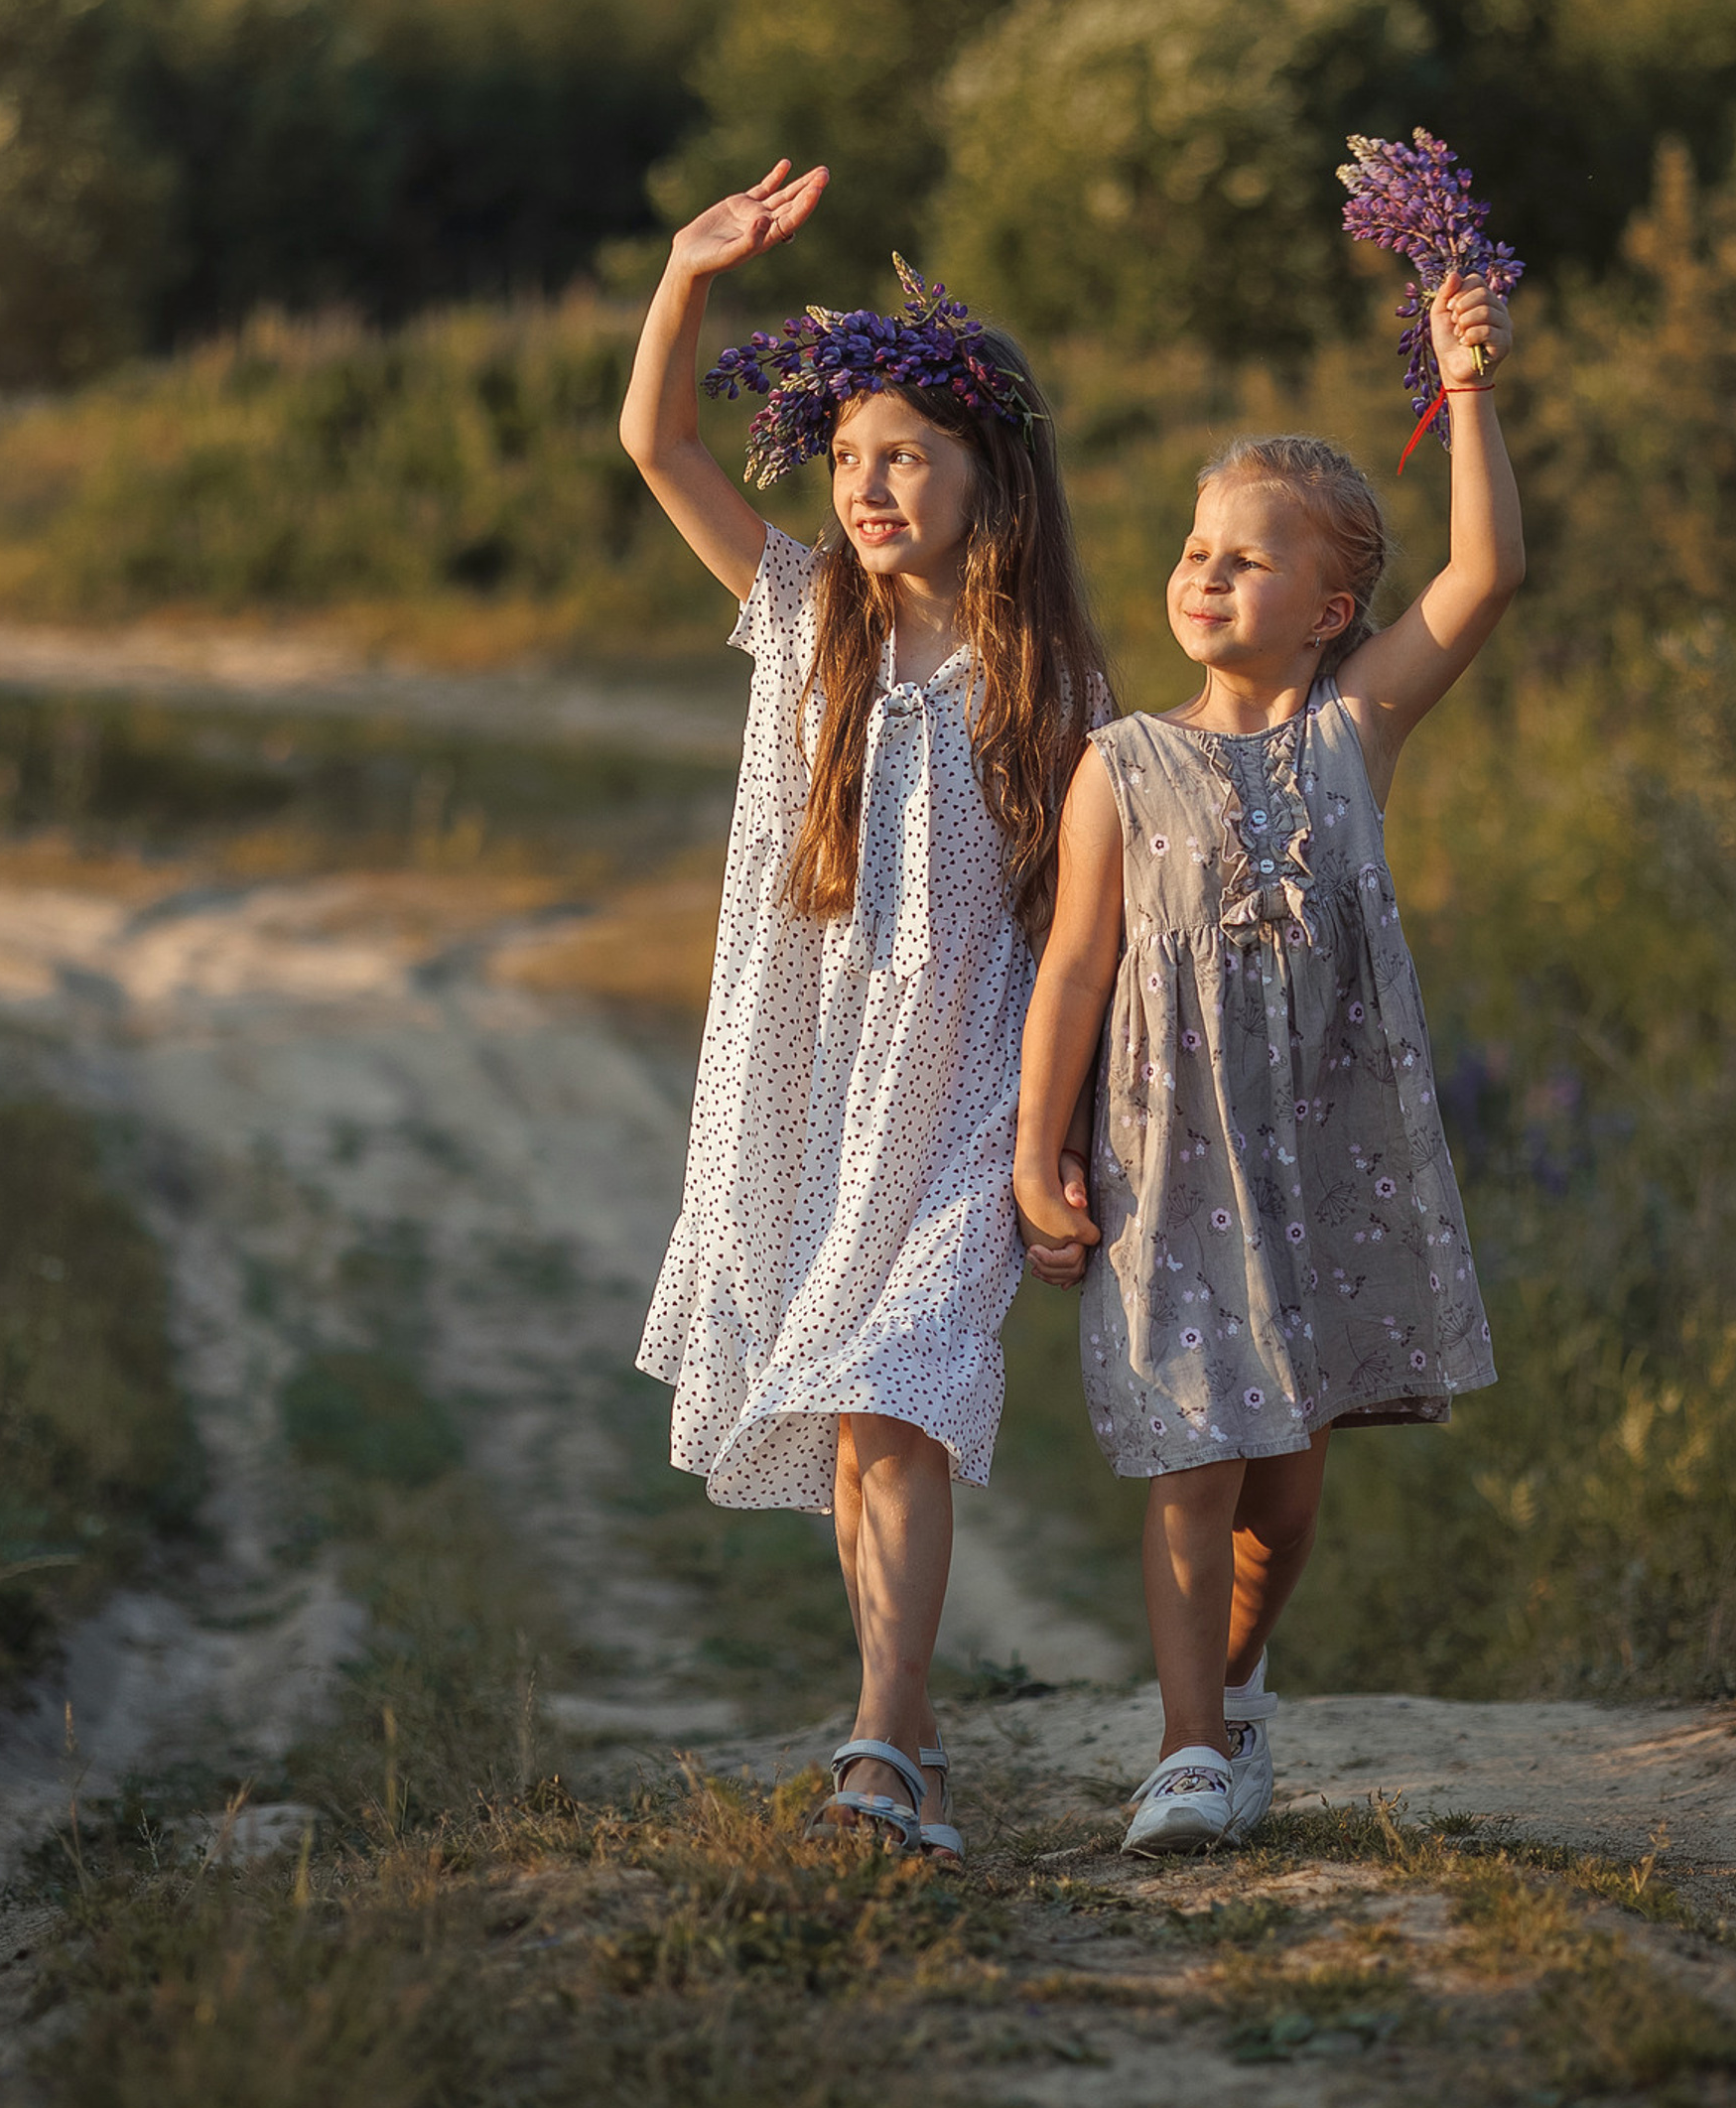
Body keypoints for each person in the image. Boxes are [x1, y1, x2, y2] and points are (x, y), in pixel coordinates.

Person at [622, 159, 1112, 1861]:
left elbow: (1079, 939)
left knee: (901, 1391)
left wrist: (1055, 1142)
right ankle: (898, 1736)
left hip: (969, 1093)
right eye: (846, 458)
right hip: (810, 1077)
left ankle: (885, 1747)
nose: (870, 484)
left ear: (990, 474)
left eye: (906, 454)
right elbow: (658, 446)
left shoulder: (1052, 688)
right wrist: (686, 278)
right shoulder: (802, 617)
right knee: (855, 1416)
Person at [1011, 267, 1521, 1853]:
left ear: (1330, 610)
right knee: (1197, 1459)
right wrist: (1037, 1151)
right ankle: (1180, 1752)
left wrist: (1466, 388)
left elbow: (1489, 573)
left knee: (1283, 1499)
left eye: (1247, 558)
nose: (1205, 574)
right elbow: (1076, 966)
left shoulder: (1353, 733)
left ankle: (1231, 1697)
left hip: (1323, 1160)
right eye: (1193, 550)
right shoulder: (1120, 765)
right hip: (1173, 1163)